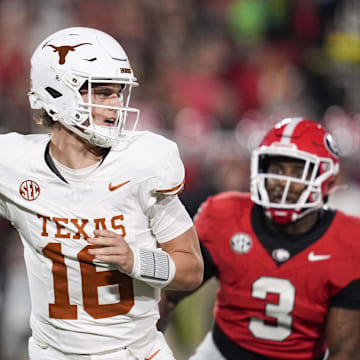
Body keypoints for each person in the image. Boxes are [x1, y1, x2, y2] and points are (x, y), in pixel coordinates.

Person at [0, 26, 203, 360]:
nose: (116, 105)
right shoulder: (16, 166)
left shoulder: (141, 165)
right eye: (103, 92)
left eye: (119, 93)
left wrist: (136, 260)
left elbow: (192, 269)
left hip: (134, 353)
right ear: (57, 93)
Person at [159, 118, 360, 360]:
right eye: (276, 170)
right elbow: (167, 296)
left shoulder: (347, 241)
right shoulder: (225, 215)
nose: (282, 182)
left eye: (298, 172)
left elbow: (345, 352)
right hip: (222, 354)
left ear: (325, 177)